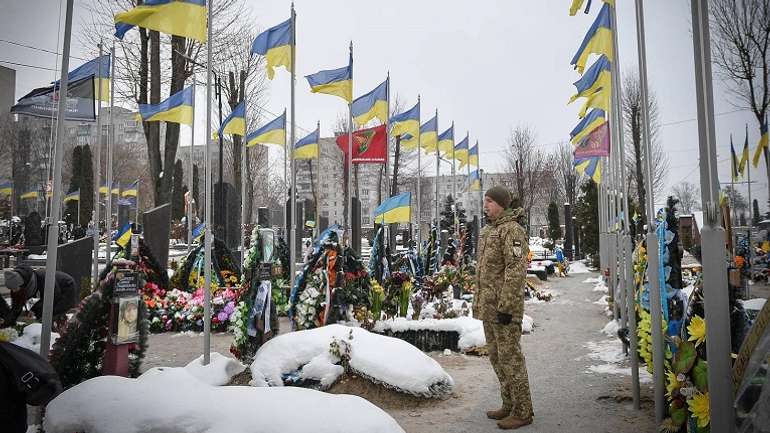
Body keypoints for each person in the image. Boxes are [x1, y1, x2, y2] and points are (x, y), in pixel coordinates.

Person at [474, 186, 533, 430]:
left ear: (502, 204)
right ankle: (508, 404)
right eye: (485, 200)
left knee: (511, 359)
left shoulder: (512, 230)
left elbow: (515, 270)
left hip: (504, 308)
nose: (486, 205)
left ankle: (523, 411)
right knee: (497, 358)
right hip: (489, 308)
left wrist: (507, 307)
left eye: (490, 201)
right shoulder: (489, 230)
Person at [0, 265, 77, 329]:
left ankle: (54, 337)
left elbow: (51, 299)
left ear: (21, 284)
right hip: (54, 292)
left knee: (50, 315)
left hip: (66, 287)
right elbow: (16, 306)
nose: (13, 291)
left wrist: (34, 310)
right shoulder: (20, 286)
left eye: (15, 288)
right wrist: (7, 324)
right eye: (11, 289)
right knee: (44, 315)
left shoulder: (44, 278)